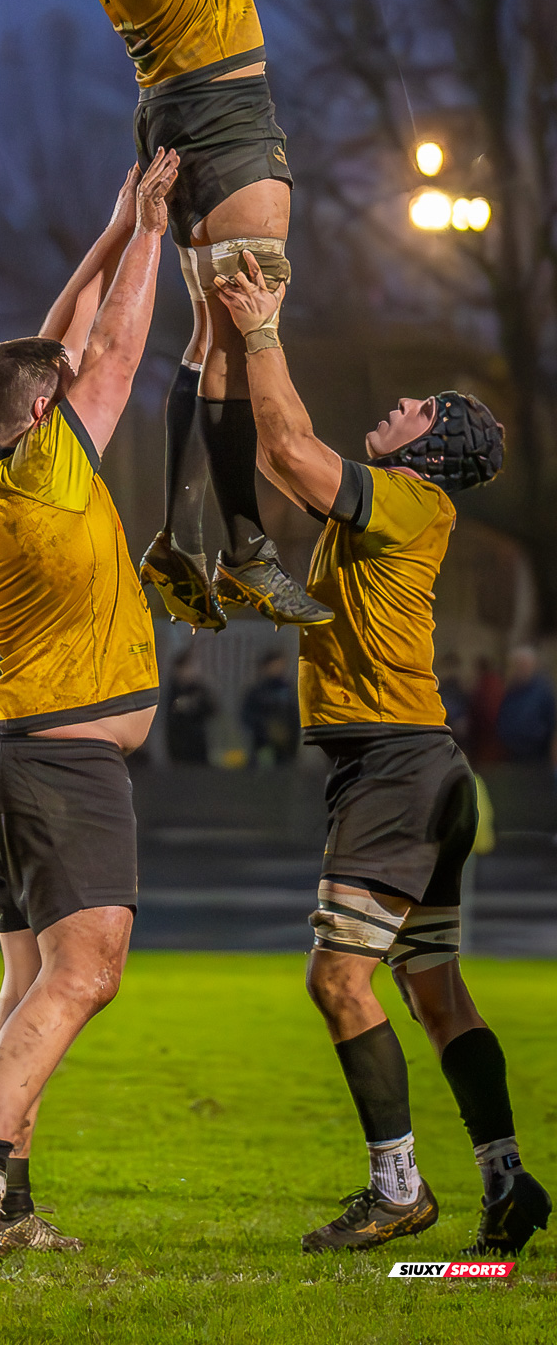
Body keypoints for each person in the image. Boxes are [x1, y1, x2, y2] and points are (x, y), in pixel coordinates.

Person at [216, 255, 551, 1258]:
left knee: (338, 982)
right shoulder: (395, 506)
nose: (400, 403)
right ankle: (506, 1178)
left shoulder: (408, 501)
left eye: (417, 407)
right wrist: (239, 350)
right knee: (434, 988)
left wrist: (262, 327)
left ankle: (397, 1190)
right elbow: (285, 457)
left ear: (430, 446)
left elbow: (289, 442)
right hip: (423, 765)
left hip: (396, 769)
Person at [47, 0, 330, 635]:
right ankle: (245, 543)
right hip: (224, 110)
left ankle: (183, 535)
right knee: (251, 321)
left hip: (165, 113)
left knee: (211, 331)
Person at [0, 151, 177, 1257]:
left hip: (7, 752)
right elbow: (114, 349)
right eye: (60, 392)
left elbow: (57, 346)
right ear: (45, 415)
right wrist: (156, 234)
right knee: (88, 971)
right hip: (60, 763)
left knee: (30, 977)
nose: (77, 388)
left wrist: (109, 228)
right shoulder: (46, 476)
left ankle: (9, 1202)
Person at [495, 645, 557, 765]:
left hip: (537, 753)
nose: (520, 669)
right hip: (512, 752)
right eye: (517, 665)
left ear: (533, 666)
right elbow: (504, 715)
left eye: (524, 665)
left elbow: (550, 720)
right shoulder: (512, 690)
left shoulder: (543, 690)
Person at [240, 649, 301, 768]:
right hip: (262, 746)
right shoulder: (257, 692)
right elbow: (247, 716)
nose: (278, 668)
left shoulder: (288, 691)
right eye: (275, 664)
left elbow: (295, 717)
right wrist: (265, 729)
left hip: (285, 750)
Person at [165, 650, 217, 765]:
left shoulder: (199, 689)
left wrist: (196, 704)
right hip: (178, 747)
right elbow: (169, 716)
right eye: (187, 667)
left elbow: (213, 710)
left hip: (199, 745)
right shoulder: (171, 690)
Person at [469, 655, 505, 765]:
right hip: (487, 737)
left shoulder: (488, 685)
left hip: (487, 738)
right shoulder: (493, 683)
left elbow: (489, 710)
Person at [436, 651, 471, 753]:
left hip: (457, 730)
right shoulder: (441, 689)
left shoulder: (461, 690)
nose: (451, 671)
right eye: (448, 667)